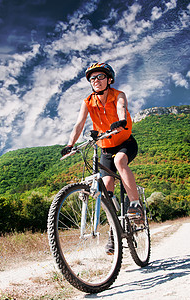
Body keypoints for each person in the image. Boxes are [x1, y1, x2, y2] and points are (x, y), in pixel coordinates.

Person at [61, 62, 143, 254]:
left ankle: (135, 205)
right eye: (92, 78)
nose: (96, 80)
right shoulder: (88, 101)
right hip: (105, 147)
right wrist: (69, 144)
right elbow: (79, 124)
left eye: (100, 77)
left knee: (119, 161)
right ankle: (115, 233)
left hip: (125, 143)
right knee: (106, 190)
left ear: (109, 79)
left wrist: (121, 121)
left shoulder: (118, 94)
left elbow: (122, 107)